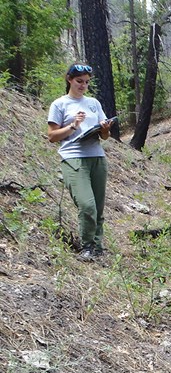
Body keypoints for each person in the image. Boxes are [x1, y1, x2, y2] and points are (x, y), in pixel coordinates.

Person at [47, 63, 115, 261]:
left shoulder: (93, 103)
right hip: (73, 158)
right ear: (69, 79)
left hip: (97, 157)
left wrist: (104, 128)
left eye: (86, 82)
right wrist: (73, 126)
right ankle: (87, 247)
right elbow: (52, 136)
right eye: (79, 81)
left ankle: (98, 247)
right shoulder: (60, 104)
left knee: (99, 206)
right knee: (87, 205)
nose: (83, 85)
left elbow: (105, 137)